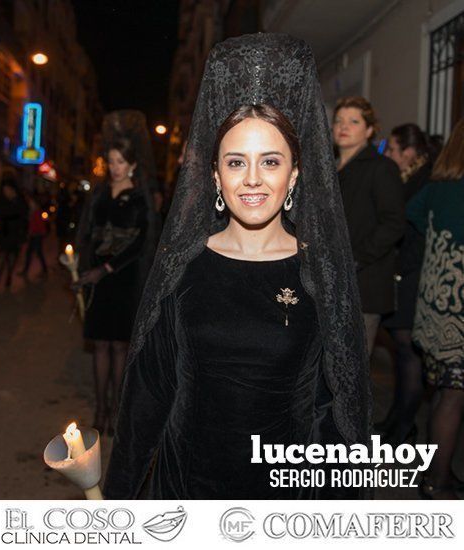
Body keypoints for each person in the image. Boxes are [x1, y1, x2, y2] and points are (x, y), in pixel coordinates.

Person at [103, 34, 370, 500]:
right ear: (214, 176)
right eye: (235, 162)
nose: (251, 179)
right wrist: (117, 503)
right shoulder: (181, 268)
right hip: (184, 491)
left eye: (270, 161)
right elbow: (150, 392)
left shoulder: (320, 275)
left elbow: (337, 408)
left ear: (294, 174)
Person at [75, 111, 158, 436]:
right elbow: (88, 233)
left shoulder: (139, 198)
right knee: (100, 346)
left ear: (132, 165)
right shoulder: (98, 194)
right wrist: (82, 269)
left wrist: (104, 269)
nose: (114, 167)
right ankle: (101, 408)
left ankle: (117, 408)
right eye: (110, 161)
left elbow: (139, 244)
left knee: (120, 347)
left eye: (120, 162)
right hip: (97, 278)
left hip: (123, 279)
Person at [407, 118, 464, 499]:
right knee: (453, 397)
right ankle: (437, 480)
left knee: (444, 394)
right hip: (458, 315)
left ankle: (435, 470)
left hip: (432, 312)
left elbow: (412, 215)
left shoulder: (436, 188)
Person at [376, 123, 438, 446]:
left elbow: (414, 233)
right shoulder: (408, 179)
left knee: (409, 355)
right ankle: (396, 422)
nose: (387, 155)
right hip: (404, 274)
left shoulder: (422, 181)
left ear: (409, 153)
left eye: (392, 149)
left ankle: (402, 428)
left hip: (413, 277)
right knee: (402, 354)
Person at [333, 96, 406, 354]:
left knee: (352, 369)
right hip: (329, 282)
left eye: (353, 121)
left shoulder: (381, 168)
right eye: (339, 121)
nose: (343, 126)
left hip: (363, 284)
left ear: (369, 130)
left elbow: (394, 223)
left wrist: (356, 259)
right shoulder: (330, 169)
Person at [0, 177, 28, 287]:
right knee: (2, 255)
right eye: (4, 190)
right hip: (4, 231)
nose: (6, 192)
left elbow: (23, 218)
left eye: (7, 189)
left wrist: (22, 234)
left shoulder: (20, 200)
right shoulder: (2, 200)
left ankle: (8, 275)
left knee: (12, 256)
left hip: (15, 232)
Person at [19, 193, 49, 278]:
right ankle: (27, 270)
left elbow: (40, 225)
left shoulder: (38, 212)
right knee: (31, 253)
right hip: (34, 235)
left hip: (37, 235)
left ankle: (44, 269)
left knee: (37, 252)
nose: (30, 204)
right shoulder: (33, 212)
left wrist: (32, 232)